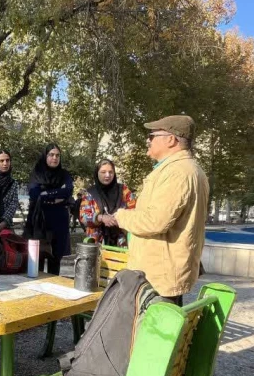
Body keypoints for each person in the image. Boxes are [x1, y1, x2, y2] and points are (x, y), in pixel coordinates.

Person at [112, 115, 209, 307]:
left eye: (152, 135)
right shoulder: (184, 169)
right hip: (161, 274)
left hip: (159, 279)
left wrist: (121, 216)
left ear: (171, 139)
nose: (148, 140)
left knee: (153, 334)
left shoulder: (177, 172)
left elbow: (154, 221)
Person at [24, 143, 74, 274]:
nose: (55, 158)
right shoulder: (37, 173)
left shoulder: (64, 175)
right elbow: (34, 193)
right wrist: (57, 195)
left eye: (57, 155)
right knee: (37, 259)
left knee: (56, 260)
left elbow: (68, 191)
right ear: (45, 156)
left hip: (59, 220)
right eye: (51, 155)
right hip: (40, 220)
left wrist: (45, 194)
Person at [80, 160, 137, 247]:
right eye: (103, 172)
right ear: (97, 173)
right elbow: (83, 217)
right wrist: (100, 218)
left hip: (122, 243)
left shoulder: (124, 190)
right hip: (97, 244)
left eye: (111, 172)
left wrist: (120, 217)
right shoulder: (90, 193)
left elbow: (135, 211)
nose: (107, 175)